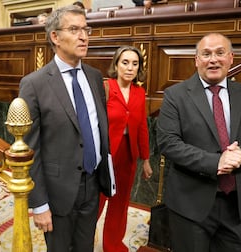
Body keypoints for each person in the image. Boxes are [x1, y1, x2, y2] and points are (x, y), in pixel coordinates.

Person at [156, 33, 241, 252]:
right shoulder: (176, 95)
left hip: (236, 206)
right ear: (196, 60)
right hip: (190, 207)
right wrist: (216, 162)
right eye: (206, 54)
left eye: (220, 53)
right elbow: (168, 143)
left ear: (231, 58)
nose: (213, 59)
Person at [18, 5, 114, 252]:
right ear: (55, 37)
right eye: (74, 29)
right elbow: (30, 150)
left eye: (86, 29)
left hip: (92, 186)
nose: (84, 36)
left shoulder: (94, 77)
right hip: (58, 192)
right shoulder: (34, 84)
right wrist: (39, 204)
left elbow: (97, 129)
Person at [98, 45, 152, 252]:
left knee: (120, 204)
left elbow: (142, 128)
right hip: (107, 155)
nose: (130, 68)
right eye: (125, 62)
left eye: (135, 64)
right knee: (98, 201)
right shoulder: (106, 87)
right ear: (116, 65)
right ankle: (79, 242)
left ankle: (112, 245)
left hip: (128, 155)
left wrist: (146, 159)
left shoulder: (140, 93)